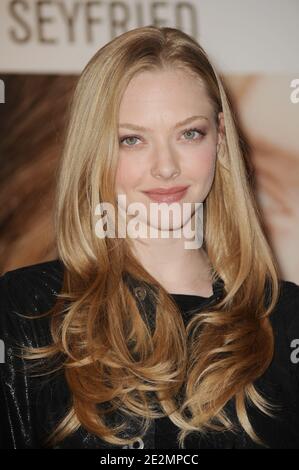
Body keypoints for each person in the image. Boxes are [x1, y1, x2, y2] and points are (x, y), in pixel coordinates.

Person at [1, 25, 299, 449]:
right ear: (94, 150)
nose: (165, 167)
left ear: (219, 137)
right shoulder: (25, 310)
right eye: (132, 139)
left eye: (189, 133)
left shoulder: (284, 319)